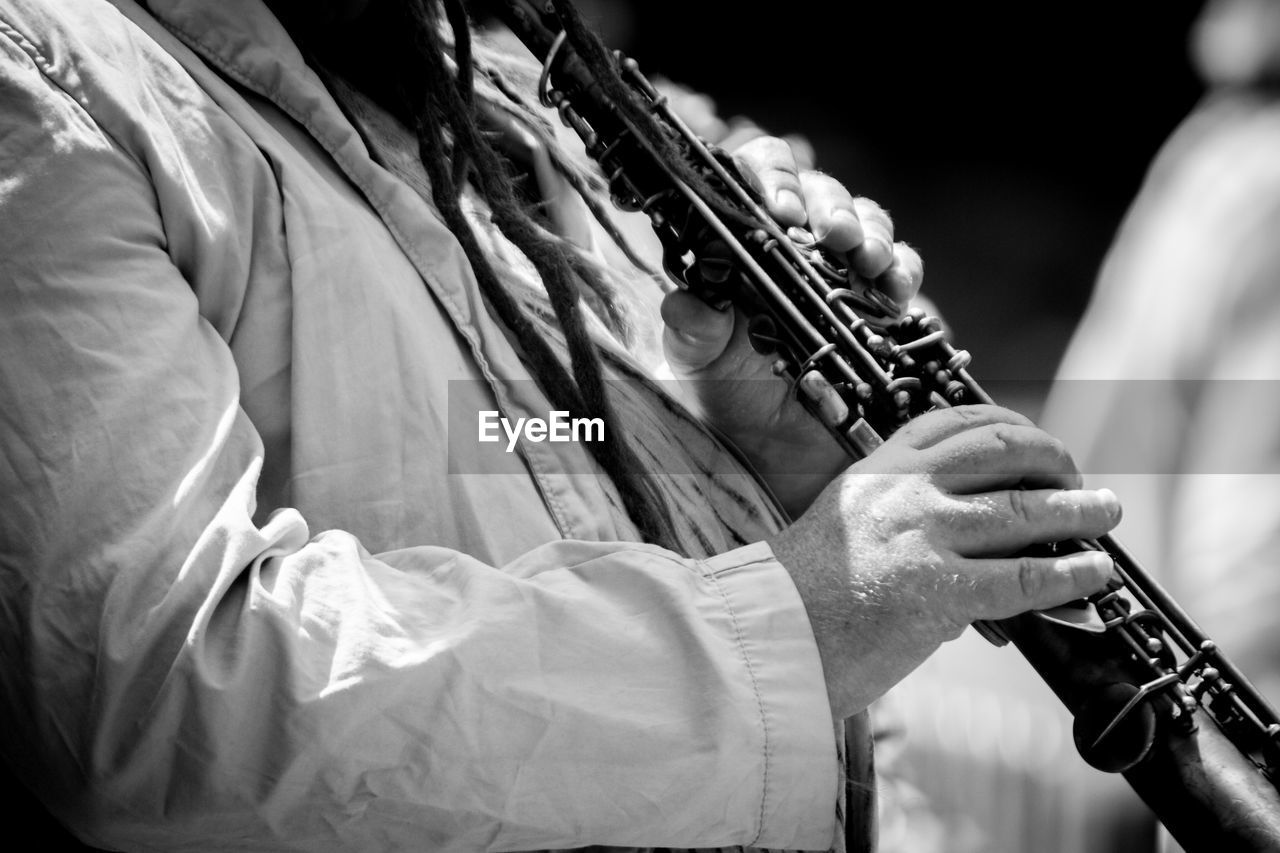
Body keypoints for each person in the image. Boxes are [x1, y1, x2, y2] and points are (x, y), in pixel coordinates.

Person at [0, 0, 1122, 850]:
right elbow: (155, 689)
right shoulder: (46, 74)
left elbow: (515, 463)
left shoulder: (497, 88)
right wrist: (808, 613)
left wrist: (762, 454)